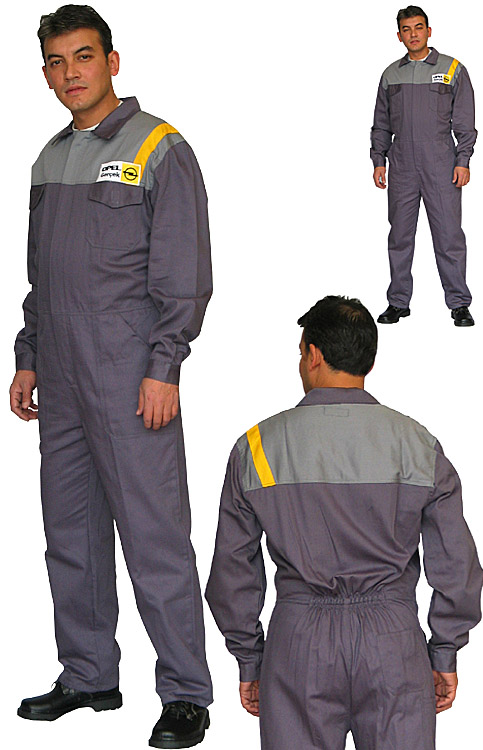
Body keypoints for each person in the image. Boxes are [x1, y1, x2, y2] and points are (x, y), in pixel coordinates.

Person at [9, 5, 213, 748]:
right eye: (57, 62)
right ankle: (89, 673)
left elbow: (185, 272)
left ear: (113, 61)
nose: (71, 73)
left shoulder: (160, 146)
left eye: (84, 56)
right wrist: (28, 354)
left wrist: (165, 365)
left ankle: (186, 692)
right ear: (45, 74)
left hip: (131, 376)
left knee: (154, 537)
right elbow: (41, 275)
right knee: (71, 533)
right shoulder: (47, 159)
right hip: (61, 376)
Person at [205, 295, 483, 750]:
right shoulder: (418, 444)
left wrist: (250, 658)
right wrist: (445, 651)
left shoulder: (256, 448)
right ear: (367, 362)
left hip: (298, 645)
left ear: (313, 355)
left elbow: (232, 571)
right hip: (393, 645)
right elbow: (457, 564)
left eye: (300, 352)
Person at [371, 6, 477, 327]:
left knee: (448, 236)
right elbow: (381, 122)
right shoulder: (391, 74)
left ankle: (459, 303)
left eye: (418, 27)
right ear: (399, 35)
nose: (413, 34)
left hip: (441, 165)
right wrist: (379, 160)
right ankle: (398, 302)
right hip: (402, 165)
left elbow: (465, 121)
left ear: (429, 31)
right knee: (400, 237)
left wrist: (463, 160)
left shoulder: (452, 68)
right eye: (406, 29)